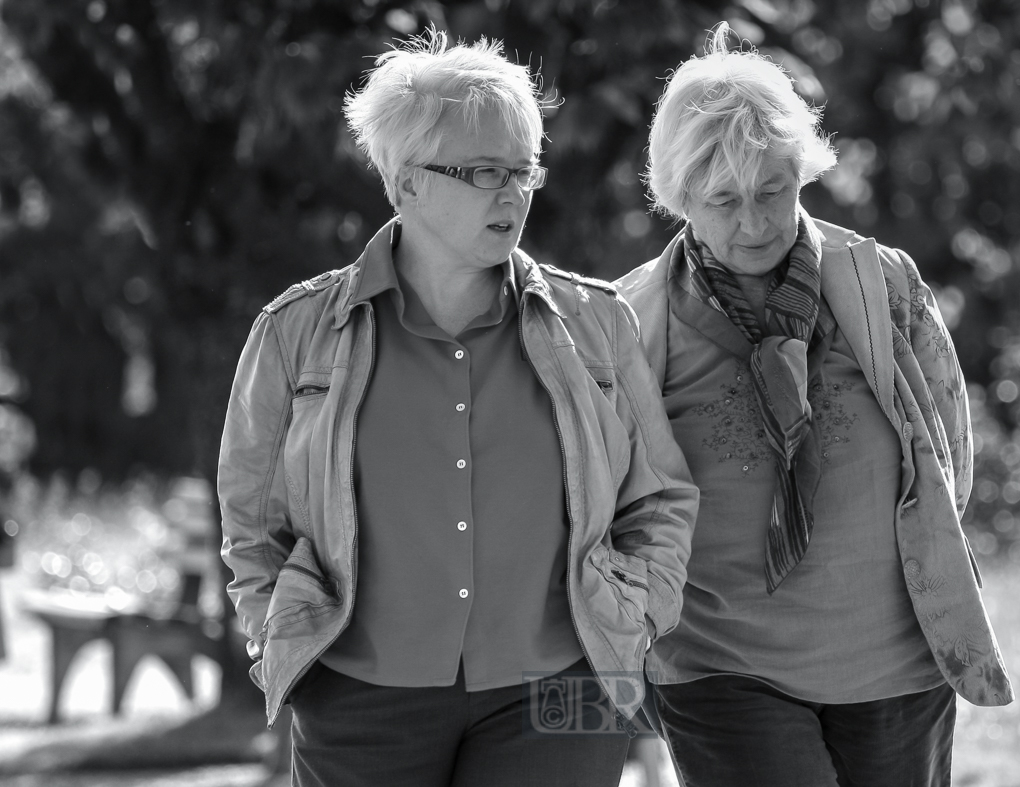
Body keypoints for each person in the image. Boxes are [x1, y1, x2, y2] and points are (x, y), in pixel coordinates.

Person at [217, 30, 697, 787]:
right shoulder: (295, 333)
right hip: (358, 698)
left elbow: (661, 497)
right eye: (482, 171)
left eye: (523, 170)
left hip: (564, 690)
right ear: (405, 184)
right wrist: (280, 634)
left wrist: (634, 616)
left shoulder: (598, 323)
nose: (511, 192)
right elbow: (251, 523)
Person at [615, 24, 1013, 787]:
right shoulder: (632, 320)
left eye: (773, 189)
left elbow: (948, 459)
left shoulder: (883, 283)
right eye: (723, 200)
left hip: (894, 659)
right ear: (679, 196)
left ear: (804, 167)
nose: (755, 222)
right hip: (717, 663)